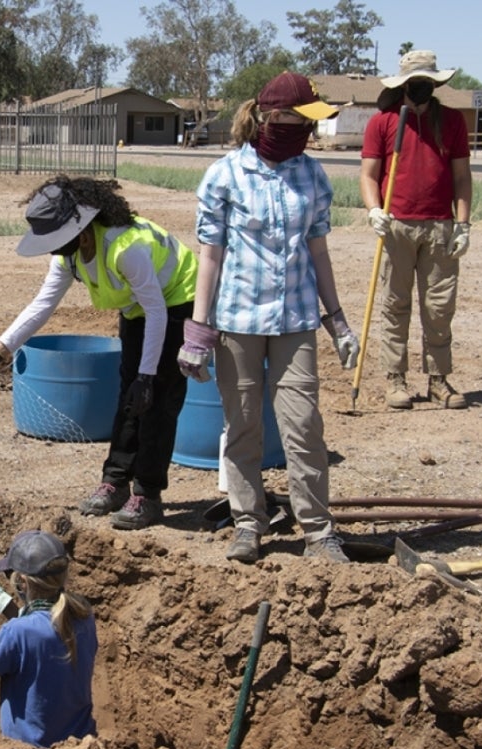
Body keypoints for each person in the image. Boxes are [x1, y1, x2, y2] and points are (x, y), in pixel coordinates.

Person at [182, 71, 357, 565]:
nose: (305, 131)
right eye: (299, 120)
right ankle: (247, 522)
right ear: (271, 117)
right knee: (241, 428)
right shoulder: (224, 175)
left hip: (296, 321)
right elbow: (210, 256)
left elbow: (318, 253)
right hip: (237, 322)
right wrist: (198, 332)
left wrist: (337, 319)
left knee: (303, 427)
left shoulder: (313, 175)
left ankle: (319, 532)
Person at [0, 176, 198, 530]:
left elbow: (158, 312)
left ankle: (148, 495)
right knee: (128, 396)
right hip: (141, 307)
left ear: (83, 228)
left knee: (157, 399)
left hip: (175, 300)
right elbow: (43, 304)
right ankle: (116, 482)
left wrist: (147, 376)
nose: (51, 248)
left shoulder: (126, 248)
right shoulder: (71, 256)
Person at [360, 50, 473, 411]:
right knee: (396, 304)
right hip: (396, 225)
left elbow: (461, 176)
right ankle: (395, 378)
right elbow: (368, 175)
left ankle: (438, 379)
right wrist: (374, 209)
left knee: (439, 307)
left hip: (440, 226)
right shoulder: (383, 122)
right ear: (404, 85)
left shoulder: (452, 121)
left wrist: (463, 223)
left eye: (428, 81)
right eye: (415, 82)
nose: (422, 88)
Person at [0, 529, 97, 749]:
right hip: (80, 748)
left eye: (11, 575)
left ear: (23, 582)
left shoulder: (17, 631)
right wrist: (3, 602)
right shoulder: (83, 615)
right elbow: (43, 629)